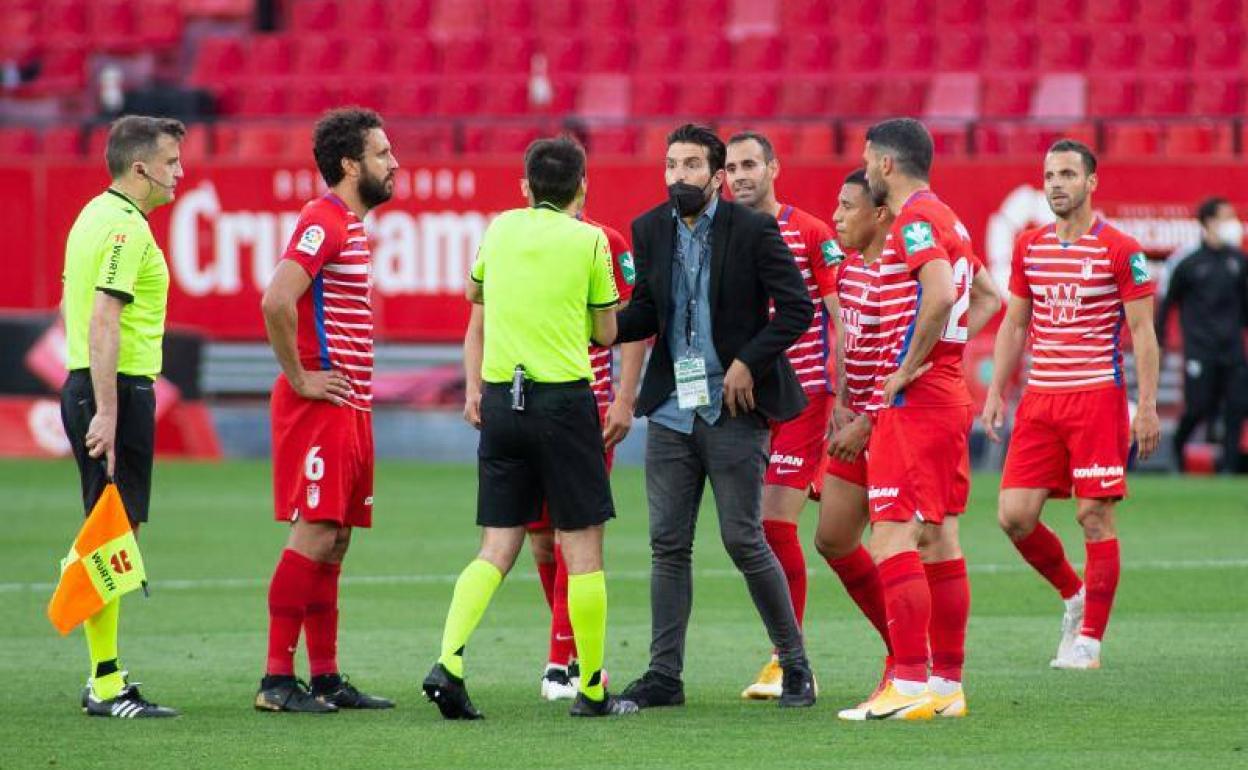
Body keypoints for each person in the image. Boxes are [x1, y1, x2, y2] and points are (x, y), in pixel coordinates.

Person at [423, 136, 636, 719]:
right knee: (583, 546)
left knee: (497, 544)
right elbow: (607, 332)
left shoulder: (499, 230)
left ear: (527, 185)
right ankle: (591, 688)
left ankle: (449, 661)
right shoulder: (591, 240)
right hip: (564, 402)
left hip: (500, 402)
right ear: (582, 186)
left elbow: (474, 293)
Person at [613, 123, 816, 709]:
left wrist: (749, 361)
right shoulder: (649, 229)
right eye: (672, 164)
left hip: (733, 409)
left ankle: (795, 665)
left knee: (743, 539)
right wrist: (601, 324)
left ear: (718, 176)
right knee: (667, 545)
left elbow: (796, 308)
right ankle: (664, 676)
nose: (680, 175)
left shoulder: (753, 229)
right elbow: (648, 311)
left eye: (693, 164)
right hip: (673, 413)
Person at [839, 118, 1002, 722]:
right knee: (939, 538)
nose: (864, 168)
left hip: (918, 404)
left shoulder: (913, 221)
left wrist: (908, 368)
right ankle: (946, 683)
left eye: (865, 158)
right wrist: (948, 355)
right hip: (948, 395)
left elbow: (938, 295)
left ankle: (906, 683)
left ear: (885, 165)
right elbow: (987, 297)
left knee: (891, 536)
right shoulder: (949, 216)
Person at [982, 139, 1161, 671]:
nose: (1056, 183)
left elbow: (1143, 333)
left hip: (1096, 398)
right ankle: (1074, 593)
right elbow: (1015, 322)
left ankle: (1089, 641)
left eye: (1067, 174)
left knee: (1093, 516)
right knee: (1014, 516)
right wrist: (996, 391)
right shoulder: (1029, 246)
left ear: (1091, 182)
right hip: (1040, 399)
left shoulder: (1120, 249)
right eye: (1049, 175)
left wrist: (1145, 407)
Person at [463, 200, 643, 701]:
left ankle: (559, 665)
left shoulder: (605, 241)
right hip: (519, 407)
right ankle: (576, 660)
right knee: (543, 542)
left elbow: (628, 328)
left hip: (583, 408)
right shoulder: (506, 236)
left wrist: (624, 399)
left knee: (573, 538)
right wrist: (473, 386)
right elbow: (478, 319)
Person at [255, 107, 398, 713]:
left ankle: (326, 676)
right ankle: (275, 680)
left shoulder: (351, 227)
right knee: (313, 531)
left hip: (352, 405)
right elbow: (276, 299)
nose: (394, 164)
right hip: (322, 405)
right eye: (383, 154)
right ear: (350, 164)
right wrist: (300, 377)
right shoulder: (323, 220)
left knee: (335, 539)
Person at [60, 114, 185, 719]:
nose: (179, 175)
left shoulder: (93, 215)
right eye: (170, 164)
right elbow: (104, 317)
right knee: (111, 535)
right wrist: (108, 410)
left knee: (113, 530)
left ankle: (104, 673)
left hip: (97, 386)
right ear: (140, 169)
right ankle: (105, 684)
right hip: (113, 390)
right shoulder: (126, 229)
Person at [723, 131, 839, 700]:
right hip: (745, 400)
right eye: (730, 167)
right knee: (760, 530)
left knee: (771, 525)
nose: (739, 175)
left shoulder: (812, 232)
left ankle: (788, 660)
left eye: (749, 164)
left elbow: (842, 315)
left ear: (774, 166)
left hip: (804, 395)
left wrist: (843, 397)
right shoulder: (721, 230)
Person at [1156, 197, 1248, 473]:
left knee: (1237, 407)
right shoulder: (1187, 262)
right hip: (1200, 349)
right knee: (1198, 407)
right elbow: (1167, 303)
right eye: (1225, 218)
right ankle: (1176, 449)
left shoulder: (1239, 261)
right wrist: (1158, 341)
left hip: (1231, 348)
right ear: (1208, 222)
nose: (1231, 224)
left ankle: (1228, 469)